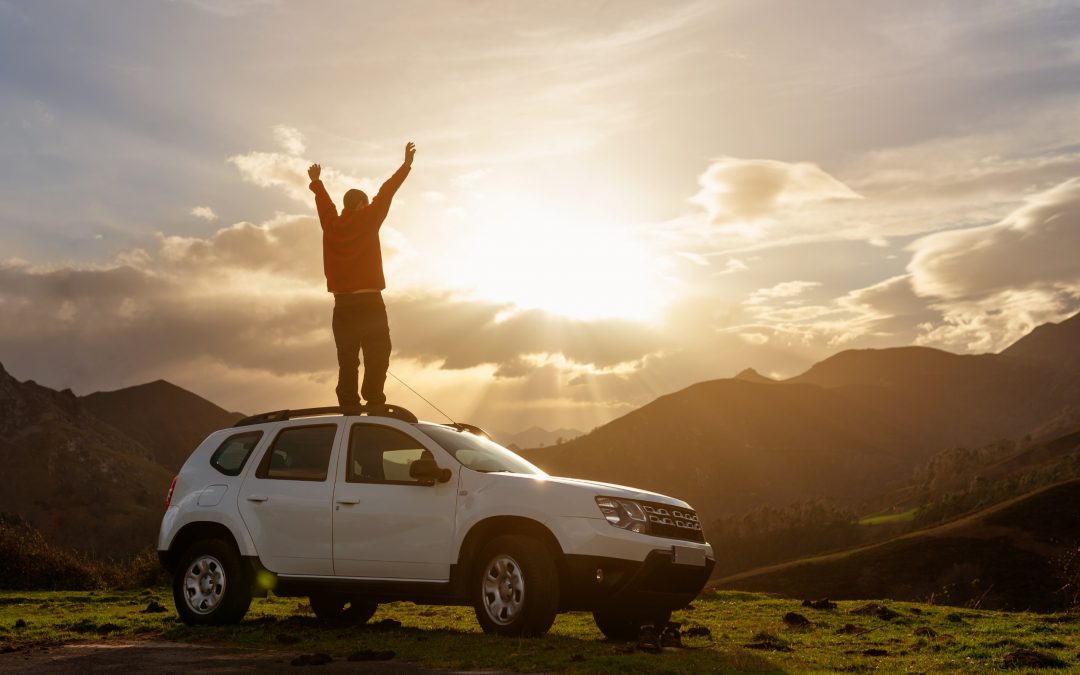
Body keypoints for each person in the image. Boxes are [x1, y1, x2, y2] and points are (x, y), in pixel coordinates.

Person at [308, 142, 415, 410]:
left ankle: (348, 403)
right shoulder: (368, 218)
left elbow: (324, 206)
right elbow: (387, 192)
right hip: (369, 303)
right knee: (377, 354)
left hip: (342, 306)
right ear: (362, 204)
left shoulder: (331, 224)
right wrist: (406, 165)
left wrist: (317, 182)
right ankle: (374, 398)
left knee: (347, 359)